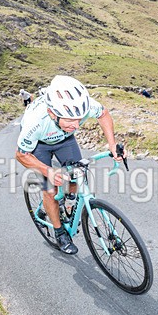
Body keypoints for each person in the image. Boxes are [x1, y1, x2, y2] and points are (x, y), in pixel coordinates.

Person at [16, 75, 124, 254]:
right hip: (39, 144)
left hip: (64, 139)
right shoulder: (35, 121)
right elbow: (21, 154)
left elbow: (103, 113)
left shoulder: (82, 108)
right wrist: (48, 171)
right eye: (69, 120)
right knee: (50, 190)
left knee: (77, 174)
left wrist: (112, 144)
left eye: (79, 119)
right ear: (52, 113)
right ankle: (60, 233)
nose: (76, 126)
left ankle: (69, 202)